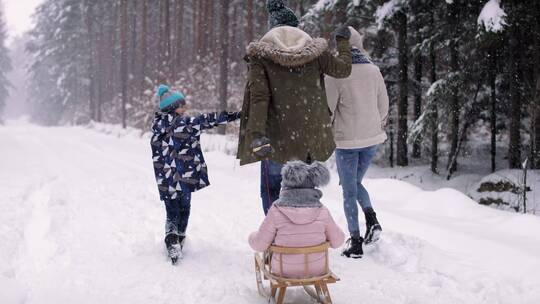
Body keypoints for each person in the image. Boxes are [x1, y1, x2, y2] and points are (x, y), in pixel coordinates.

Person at [237, 0, 352, 215]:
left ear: (272, 29)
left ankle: (276, 237)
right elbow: (343, 69)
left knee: (270, 189)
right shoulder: (316, 54)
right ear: (297, 28)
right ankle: (304, 235)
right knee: (304, 188)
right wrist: (343, 42)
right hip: (309, 136)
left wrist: (256, 135)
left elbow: (260, 98)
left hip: (275, 137)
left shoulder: (261, 57)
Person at [150, 84, 241, 264]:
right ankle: (180, 238)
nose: (185, 108)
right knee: (184, 209)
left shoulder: (157, 128)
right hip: (185, 178)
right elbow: (208, 119)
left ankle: (172, 239)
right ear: (172, 107)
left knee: (171, 212)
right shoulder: (185, 123)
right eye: (181, 105)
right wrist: (234, 115)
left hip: (167, 181)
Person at [325, 27, 389, 258]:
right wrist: (374, 125)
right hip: (371, 139)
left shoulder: (337, 72)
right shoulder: (373, 70)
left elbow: (328, 109)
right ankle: (372, 221)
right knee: (353, 183)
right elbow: (384, 105)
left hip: (347, 142)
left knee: (349, 190)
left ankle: (355, 242)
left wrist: (327, 132)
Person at [249, 161, 345, 278]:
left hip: (284, 270)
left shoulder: (276, 210)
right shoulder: (322, 211)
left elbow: (259, 245)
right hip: (317, 269)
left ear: (285, 184)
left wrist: (252, 237)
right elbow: (338, 241)